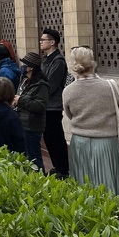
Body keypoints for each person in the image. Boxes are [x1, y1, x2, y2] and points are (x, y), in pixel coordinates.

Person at [63, 46, 119, 199]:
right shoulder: (110, 87)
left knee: (83, 185)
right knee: (110, 185)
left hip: (79, 143)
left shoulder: (68, 90)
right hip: (107, 143)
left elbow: (69, 114)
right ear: (93, 62)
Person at [40, 28, 70, 178]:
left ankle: (63, 170)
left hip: (53, 106)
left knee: (56, 138)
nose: (41, 42)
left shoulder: (58, 61)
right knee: (49, 138)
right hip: (46, 105)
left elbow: (50, 84)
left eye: (43, 40)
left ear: (52, 42)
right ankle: (56, 167)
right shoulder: (46, 59)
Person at [13, 52, 49, 172]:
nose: (22, 67)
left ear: (31, 68)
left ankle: (40, 180)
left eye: (25, 65)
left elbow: (40, 106)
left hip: (32, 125)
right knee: (26, 157)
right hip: (22, 123)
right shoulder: (24, 80)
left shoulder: (41, 85)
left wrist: (21, 100)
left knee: (34, 157)